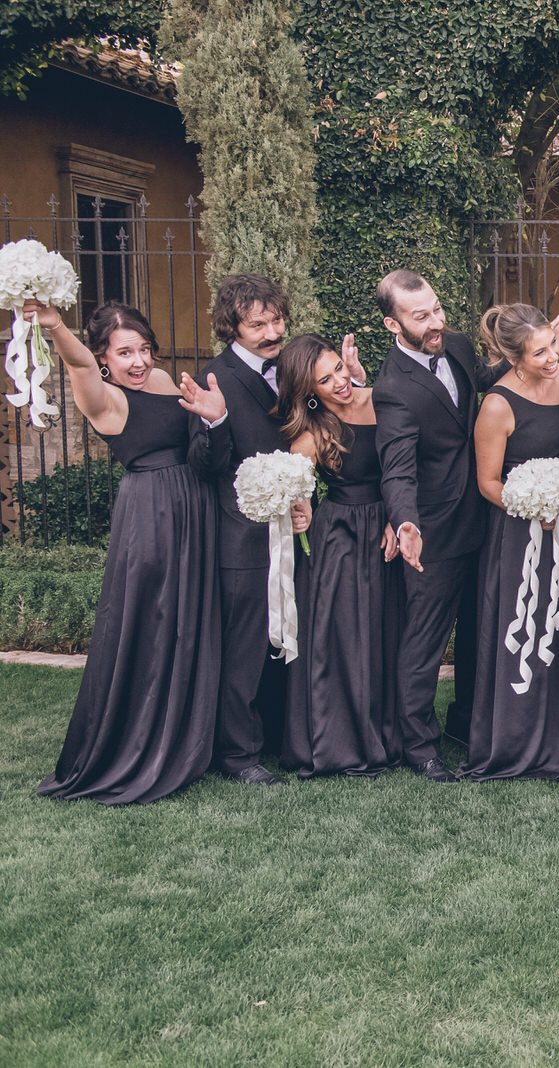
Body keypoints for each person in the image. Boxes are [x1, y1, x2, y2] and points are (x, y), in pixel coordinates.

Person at [371, 270, 559, 782]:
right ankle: (418, 744)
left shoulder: (456, 346)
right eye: (422, 316)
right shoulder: (392, 388)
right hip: (434, 532)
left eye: (436, 308)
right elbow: (397, 468)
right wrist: (407, 522)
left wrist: (531, 352)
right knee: (425, 641)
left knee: (479, 631)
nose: (437, 321)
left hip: (485, 520)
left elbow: (484, 390)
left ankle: (467, 721)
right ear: (394, 324)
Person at [25, 300, 220, 803]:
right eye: (125, 352)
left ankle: (187, 734)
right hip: (152, 515)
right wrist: (55, 328)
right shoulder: (103, 398)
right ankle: (140, 742)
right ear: (105, 358)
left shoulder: (162, 382)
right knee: (152, 623)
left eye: (145, 349)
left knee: (189, 620)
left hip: (195, 508)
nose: (139, 361)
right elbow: (79, 365)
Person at [187, 273, 314, 786]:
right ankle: (237, 753)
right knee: (244, 645)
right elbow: (202, 464)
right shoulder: (213, 379)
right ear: (231, 328)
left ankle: (283, 738)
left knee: (285, 638)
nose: (271, 331)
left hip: (291, 528)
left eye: (276, 319)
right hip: (240, 536)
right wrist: (215, 422)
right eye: (257, 324)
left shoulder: (290, 371)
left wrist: (303, 498)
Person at [461, 303, 559, 780]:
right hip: (517, 531)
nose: (551, 358)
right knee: (520, 621)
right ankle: (514, 737)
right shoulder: (496, 405)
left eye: (553, 346)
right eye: (539, 353)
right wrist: (533, 507)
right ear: (513, 360)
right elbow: (487, 482)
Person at [275, 333, 407, 777]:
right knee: (344, 639)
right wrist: (302, 509)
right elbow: (296, 489)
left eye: (339, 368)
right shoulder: (312, 433)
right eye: (325, 380)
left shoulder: (382, 399)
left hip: (388, 533)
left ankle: (386, 734)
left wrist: (398, 516)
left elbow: (405, 468)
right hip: (341, 538)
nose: (339, 382)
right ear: (308, 392)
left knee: (384, 634)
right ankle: (339, 740)